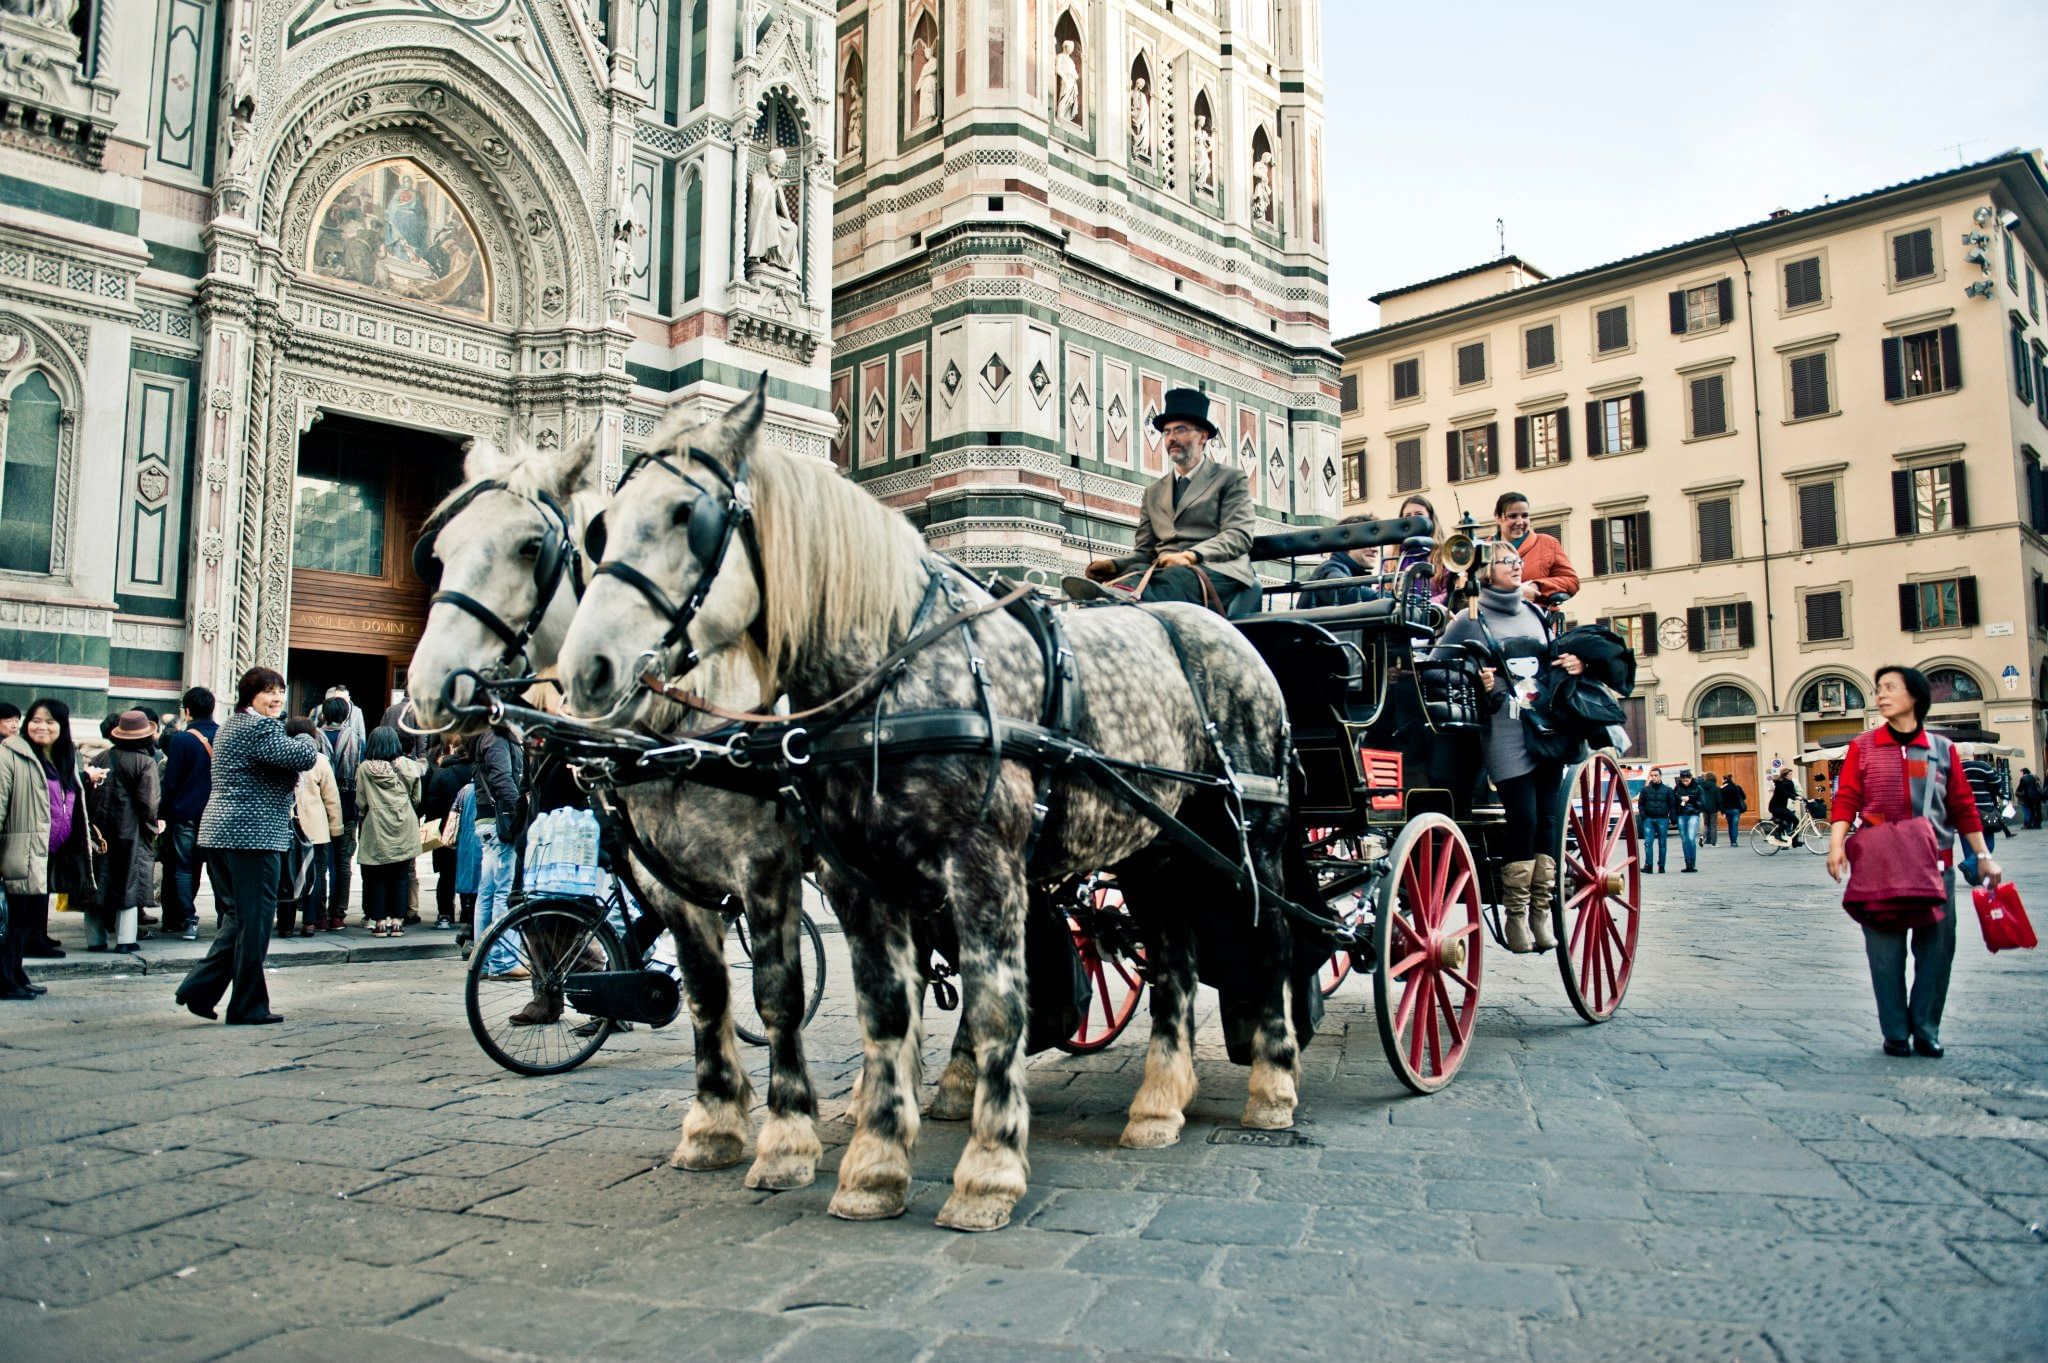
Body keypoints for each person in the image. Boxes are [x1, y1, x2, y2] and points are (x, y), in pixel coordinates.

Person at [1827, 665, 1997, 1059]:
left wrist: (1984, 857)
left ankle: (1925, 1029)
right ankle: (1895, 1033)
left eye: (1889, 688)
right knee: (1885, 956)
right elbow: (1847, 798)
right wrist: (1836, 845)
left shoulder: (1942, 749)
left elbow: (1962, 807)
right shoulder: (1863, 747)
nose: (1880, 695)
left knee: (1936, 952)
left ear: (1915, 697)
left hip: (1936, 865)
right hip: (1880, 865)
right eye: (1878, 689)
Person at [1439, 542, 1583, 953]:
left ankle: (1541, 913)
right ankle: (1516, 916)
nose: (1518, 567)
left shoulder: (1536, 613)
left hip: (1544, 726)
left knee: (1548, 822)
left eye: (1519, 562)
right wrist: (1476, 681)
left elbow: (1550, 662)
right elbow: (1438, 667)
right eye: (1508, 562)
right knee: (1523, 817)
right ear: (1487, 571)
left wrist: (1572, 662)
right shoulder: (1469, 618)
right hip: (1503, 727)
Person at [175, 667, 317, 1025]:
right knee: (254, 922)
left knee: (238, 918)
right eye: (269, 691)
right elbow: (304, 758)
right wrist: (307, 737)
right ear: (249, 694)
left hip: (220, 834)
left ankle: (199, 989)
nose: (277, 698)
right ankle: (247, 1005)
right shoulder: (260, 727)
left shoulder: (232, 725)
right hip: (251, 837)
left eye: (280, 692)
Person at [1083, 388, 1258, 616]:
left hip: (1216, 571)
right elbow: (1145, 552)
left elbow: (1238, 535)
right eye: (1167, 433)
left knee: (1167, 583)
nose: (1172, 438)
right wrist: (1115, 565)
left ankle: (1121, 596)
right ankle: (1109, 595)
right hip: (1162, 572)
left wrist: (1191, 556)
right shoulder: (1154, 492)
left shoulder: (1230, 479)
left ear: (1203, 436)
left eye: (1180, 430)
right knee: (1133, 575)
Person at [0, 698, 94, 998]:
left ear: (62, 727)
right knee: (11, 922)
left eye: (50, 721)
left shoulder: (61, 759)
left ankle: (15, 973)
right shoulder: (10, 754)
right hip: (17, 851)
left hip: (46, 854)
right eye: (36, 720)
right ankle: (4, 980)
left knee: (25, 922)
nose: (42, 726)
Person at [87, 710, 162, 953]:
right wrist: (152, 828)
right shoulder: (145, 762)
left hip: (100, 830)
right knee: (129, 881)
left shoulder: (100, 758)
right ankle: (125, 940)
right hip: (132, 829)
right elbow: (149, 802)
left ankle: (95, 939)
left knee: (99, 880)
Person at [160, 686, 217, 941]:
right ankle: (225, 918)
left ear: (187, 710)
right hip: (216, 814)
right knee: (215, 869)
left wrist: (163, 812)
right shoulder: (224, 735)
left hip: (185, 814)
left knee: (184, 867)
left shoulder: (181, 739)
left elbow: (171, 782)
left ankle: (187, 918)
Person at [471, 722, 527, 979]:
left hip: (488, 819)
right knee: (503, 890)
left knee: (488, 891)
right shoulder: (497, 738)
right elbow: (502, 778)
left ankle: (482, 960)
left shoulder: (488, 736)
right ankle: (502, 961)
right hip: (500, 821)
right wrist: (520, 812)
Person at [354, 727, 421, 938]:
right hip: (404, 823)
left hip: (376, 824)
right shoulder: (408, 765)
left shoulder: (365, 768)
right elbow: (417, 798)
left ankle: (380, 922)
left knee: (377, 875)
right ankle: (398, 922)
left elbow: (361, 801)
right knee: (401, 875)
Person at [284, 718, 343, 937]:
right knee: (316, 874)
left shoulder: (282, 759)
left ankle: (286, 924)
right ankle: (310, 922)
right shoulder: (320, 761)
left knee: (288, 874)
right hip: (316, 829)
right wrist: (336, 828)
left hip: (288, 827)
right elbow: (331, 798)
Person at [316, 695, 362, 925]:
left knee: (320, 863)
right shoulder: (355, 739)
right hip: (347, 805)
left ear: (324, 714)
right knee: (342, 863)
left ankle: (319, 915)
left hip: (319, 807)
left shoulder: (315, 738)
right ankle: (337, 914)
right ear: (346, 715)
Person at [420, 732, 473, 930]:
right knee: (470, 871)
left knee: (446, 875)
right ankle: (468, 912)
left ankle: (444, 914)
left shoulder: (441, 774)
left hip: (446, 831)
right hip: (471, 830)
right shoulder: (477, 772)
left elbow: (431, 807)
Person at [1491, 492, 1579, 603]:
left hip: (1538, 615)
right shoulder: (1484, 549)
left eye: (1525, 516)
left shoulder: (1548, 543)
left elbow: (1571, 581)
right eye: (1513, 516)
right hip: (1495, 615)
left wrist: (1537, 587)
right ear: (1498, 518)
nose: (1520, 522)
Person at [1303, 514, 1382, 607]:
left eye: (1377, 543)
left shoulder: (1348, 571)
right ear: (1347, 543)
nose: (1375, 549)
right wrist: (1388, 597)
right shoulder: (1330, 569)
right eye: (1369, 542)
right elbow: (1344, 590)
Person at [1958, 752, 2003, 882]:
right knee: (1988, 843)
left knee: (1967, 844)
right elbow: (1997, 783)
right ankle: (1970, 865)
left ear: (1960, 755)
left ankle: (1974, 874)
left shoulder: (1956, 767)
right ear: (1972, 754)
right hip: (1985, 811)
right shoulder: (1983, 766)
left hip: (1963, 811)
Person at [1634, 768, 1673, 873]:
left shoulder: (1668, 790)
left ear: (1660, 776)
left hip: (1662, 819)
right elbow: (1640, 804)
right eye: (1652, 775)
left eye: (1656, 775)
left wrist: (1672, 818)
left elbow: (1672, 805)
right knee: (1648, 843)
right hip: (1649, 819)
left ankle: (1661, 866)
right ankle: (1649, 865)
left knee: (1662, 843)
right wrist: (1644, 816)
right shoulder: (1645, 790)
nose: (1654, 777)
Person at [1672, 770, 1705, 873]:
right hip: (1681, 815)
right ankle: (1688, 863)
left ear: (1691, 778)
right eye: (1683, 780)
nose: (1685, 782)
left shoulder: (1698, 788)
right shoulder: (1678, 788)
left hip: (1693, 814)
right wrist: (1681, 802)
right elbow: (1675, 802)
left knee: (1691, 838)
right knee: (1684, 840)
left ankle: (1692, 862)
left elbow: (1702, 803)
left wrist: (1689, 800)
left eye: (1687, 780)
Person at [1767, 768, 1801, 846]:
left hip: (1782, 807)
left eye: (1791, 774)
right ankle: (1777, 833)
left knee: (1795, 821)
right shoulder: (1779, 783)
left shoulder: (1790, 782)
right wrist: (1795, 797)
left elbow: (1793, 793)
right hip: (1775, 807)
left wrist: (1804, 799)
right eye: (1789, 774)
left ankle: (1794, 841)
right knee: (1788, 821)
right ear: (1784, 775)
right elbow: (1785, 793)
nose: (1791, 776)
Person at [1719, 774, 1747, 847]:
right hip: (1736, 809)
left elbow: (1720, 800)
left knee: (1730, 825)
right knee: (1735, 825)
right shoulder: (1736, 787)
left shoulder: (1722, 789)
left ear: (1725, 780)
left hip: (1727, 809)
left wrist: (1722, 811)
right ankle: (1734, 842)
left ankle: (1731, 840)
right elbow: (1744, 797)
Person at [1698, 770, 1721, 846]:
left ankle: (1703, 837)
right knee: (1713, 825)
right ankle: (1713, 842)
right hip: (1713, 808)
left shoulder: (1702, 786)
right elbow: (1719, 799)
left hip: (1704, 808)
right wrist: (1722, 810)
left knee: (1706, 824)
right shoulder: (1715, 787)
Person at [2018, 767, 2042, 831]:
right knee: (2038, 810)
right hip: (2037, 796)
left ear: (2024, 772)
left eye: (2021, 773)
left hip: (2030, 797)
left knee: (2032, 811)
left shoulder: (2023, 778)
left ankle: (2031, 824)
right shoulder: (2035, 777)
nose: (2020, 774)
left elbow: (2020, 789)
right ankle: (2038, 824)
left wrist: (2019, 795)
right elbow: (2039, 786)